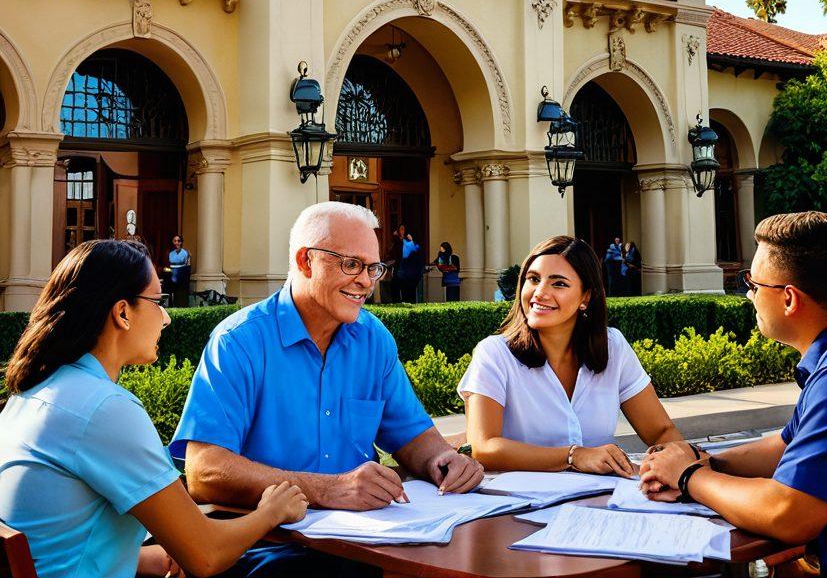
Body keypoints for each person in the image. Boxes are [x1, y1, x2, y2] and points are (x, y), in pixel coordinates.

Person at [171, 202, 483, 576]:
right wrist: (326, 489)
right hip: (267, 547)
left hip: (367, 544)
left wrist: (444, 461)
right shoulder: (239, 342)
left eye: (373, 268)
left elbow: (414, 436)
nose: (366, 281)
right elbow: (205, 472)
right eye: (351, 265)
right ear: (305, 262)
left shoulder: (373, 339)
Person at [0, 240, 305, 578]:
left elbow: (57, 540)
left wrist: (148, 559)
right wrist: (271, 512)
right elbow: (206, 556)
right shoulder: (104, 409)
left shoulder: (32, 394)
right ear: (123, 313)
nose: (166, 318)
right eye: (158, 302)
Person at [640, 212, 827, 578]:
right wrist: (708, 462)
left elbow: (789, 514)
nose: (749, 294)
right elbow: (786, 445)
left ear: (789, 299)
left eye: (754, 284)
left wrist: (687, 478)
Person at [458, 235, 683, 474]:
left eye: (559, 284)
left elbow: (661, 432)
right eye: (533, 279)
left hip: (603, 500)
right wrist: (573, 455)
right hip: (525, 504)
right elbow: (483, 447)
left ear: (586, 297)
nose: (539, 293)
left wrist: (683, 470)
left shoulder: (613, 346)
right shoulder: (494, 353)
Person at [399, 230, 424, 303]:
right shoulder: (403, 243)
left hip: (412, 272)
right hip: (406, 271)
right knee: (406, 292)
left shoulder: (416, 246)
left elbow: (419, 259)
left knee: (411, 292)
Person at [166, 234, 191, 307]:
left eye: (179, 241)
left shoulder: (186, 252)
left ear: (181, 242)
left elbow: (188, 265)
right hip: (172, 276)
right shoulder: (170, 253)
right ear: (172, 242)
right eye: (175, 241)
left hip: (182, 275)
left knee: (181, 295)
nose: (177, 243)